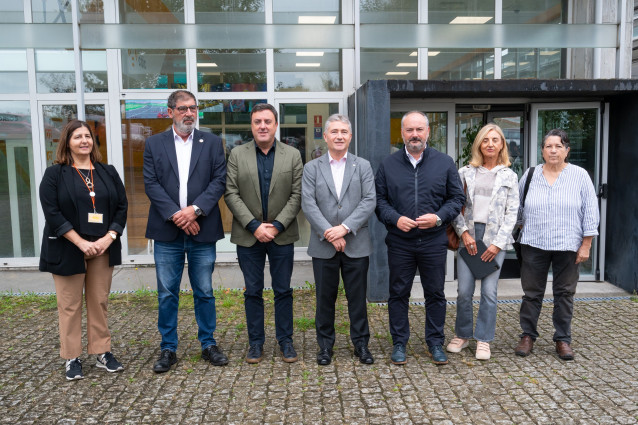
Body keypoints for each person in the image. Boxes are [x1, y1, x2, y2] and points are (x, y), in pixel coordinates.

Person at [144, 90, 228, 372]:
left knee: (204, 290)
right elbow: (151, 183)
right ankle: (168, 348)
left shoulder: (213, 142)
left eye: (193, 108)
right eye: (182, 109)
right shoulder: (154, 144)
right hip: (167, 232)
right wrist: (177, 215)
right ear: (170, 112)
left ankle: (208, 343)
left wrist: (195, 210)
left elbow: (219, 180)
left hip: (202, 229)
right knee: (167, 293)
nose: (189, 113)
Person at [39, 119, 128, 380]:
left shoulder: (107, 171)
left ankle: (102, 351)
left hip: (102, 247)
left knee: (98, 301)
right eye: (77, 137)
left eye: (87, 136)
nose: (84, 141)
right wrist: (81, 243)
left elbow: (121, 207)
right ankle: (71, 357)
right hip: (68, 248)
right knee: (69, 304)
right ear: (67, 142)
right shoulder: (55, 174)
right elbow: (52, 213)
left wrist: (108, 238)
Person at [375, 111, 465, 365]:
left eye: (419, 129)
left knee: (435, 293)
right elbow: (379, 201)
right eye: (409, 130)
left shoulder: (445, 162)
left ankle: (435, 343)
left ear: (428, 132)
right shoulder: (388, 165)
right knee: (398, 293)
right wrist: (394, 218)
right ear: (402, 133)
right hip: (400, 241)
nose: (415, 134)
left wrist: (438, 218)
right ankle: (399, 343)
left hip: (434, 240)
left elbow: (457, 199)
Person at [225, 103, 303, 364]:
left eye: (267, 121)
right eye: (257, 121)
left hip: (282, 234)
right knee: (252, 291)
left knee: (283, 290)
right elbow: (231, 193)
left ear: (276, 125)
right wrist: (254, 226)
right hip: (249, 235)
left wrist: (277, 225)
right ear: (251, 125)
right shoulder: (237, 154)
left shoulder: (292, 155)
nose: (262, 126)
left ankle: (286, 341)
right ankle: (255, 343)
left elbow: (297, 194)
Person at [514, 128, 599, 360]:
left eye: (558, 146)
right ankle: (527, 336)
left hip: (568, 245)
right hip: (533, 243)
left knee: (564, 294)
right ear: (542, 150)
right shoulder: (530, 175)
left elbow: (590, 211)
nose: (553, 150)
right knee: (531, 293)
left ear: (567, 150)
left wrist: (586, 244)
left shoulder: (580, 175)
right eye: (549, 146)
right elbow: (518, 208)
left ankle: (563, 339)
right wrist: (521, 228)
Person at [301, 114, 376, 366]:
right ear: (325, 136)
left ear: (350, 136)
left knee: (358, 298)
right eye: (334, 132)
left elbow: (369, 201)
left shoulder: (362, 166)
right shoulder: (312, 167)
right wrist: (328, 232)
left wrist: (343, 229)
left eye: (344, 131)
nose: (339, 136)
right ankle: (325, 347)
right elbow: (308, 203)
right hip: (324, 245)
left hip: (356, 243)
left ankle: (361, 345)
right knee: (324, 299)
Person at [447, 123, 519, 360]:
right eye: (485, 140)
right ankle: (463, 334)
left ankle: (484, 339)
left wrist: (498, 244)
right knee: (464, 291)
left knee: (489, 292)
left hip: (495, 238)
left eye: (495, 140)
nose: (490, 144)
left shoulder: (509, 175)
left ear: (501, 145)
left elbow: (512, 212)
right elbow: (454, 206)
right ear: (479, 144)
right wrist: (464, 233)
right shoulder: (465, 172)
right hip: (468, 234)